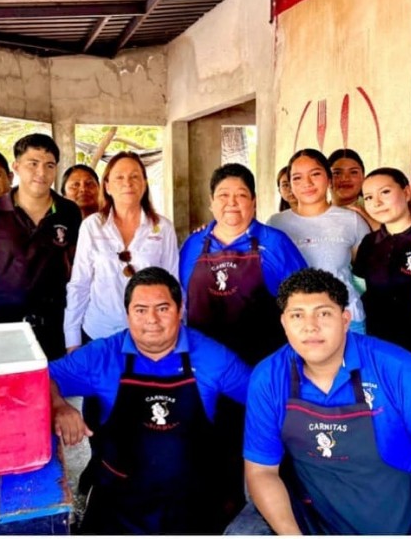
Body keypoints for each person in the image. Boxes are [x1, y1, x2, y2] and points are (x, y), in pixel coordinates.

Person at [228, 268, 411, 535]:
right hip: (313, 523)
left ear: (345, 320)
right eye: (297, 315)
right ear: (284, 323)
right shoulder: (269, 377)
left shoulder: (393, 366)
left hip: (396, 523)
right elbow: (262, 472)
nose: (310, 326)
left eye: (323, 313)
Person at [50, 267, 252, 535]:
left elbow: (262, 398)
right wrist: (58, 404)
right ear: (127, 314)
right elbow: (39, 377)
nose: (152, 320)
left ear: (180, 310)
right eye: (141, 310)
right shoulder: (101, 356)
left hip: (194, 505)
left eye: (163, 308)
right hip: (119, 505)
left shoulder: (212, 357)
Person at [180, 162, 307, 524]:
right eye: (223, 195)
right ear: (211, 202)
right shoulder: (193, 244)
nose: (232, 203)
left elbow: (302, 301)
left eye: (241, 195)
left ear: (254, 201)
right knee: (212, 446)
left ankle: (266, 520)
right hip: (207, 368)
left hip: (261, 365)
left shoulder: (274, 243)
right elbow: (182, 305)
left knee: (263, 447)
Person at [0, 133, 82, 360]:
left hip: (55, 325)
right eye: (33, 164)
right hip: (4, 325)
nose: (41, 172)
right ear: (16, 167)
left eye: (49, 165)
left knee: (52, 381)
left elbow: (78, 273)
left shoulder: (69, 211)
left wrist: (74, 334)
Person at [64, 151, 178, 351]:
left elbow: (174, 285)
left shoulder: (163, 227)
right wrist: (72, 340)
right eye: (119, 177)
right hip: (99, 333)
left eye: (135, 176)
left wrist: (177, 332)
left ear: (144, 183)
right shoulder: (92, 226)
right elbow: (80, 284)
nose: (128, 183)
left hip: (150, 335)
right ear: (107, 186)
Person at [268, 149, 371, 333]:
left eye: (315, 174)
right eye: (297, 178)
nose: (307, 183)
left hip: (347, 319)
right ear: (290, 185)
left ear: (329, 179)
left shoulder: (352, 220)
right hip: (298, 323)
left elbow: (365, 273)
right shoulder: (276, 224)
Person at [352, 167, 411, 362]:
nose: (376, 203)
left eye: (385, 192)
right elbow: (360, 287)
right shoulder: (369, 242)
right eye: (368, 197)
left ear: (407, 192)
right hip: (379, 342)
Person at [328, 148, 379, 230]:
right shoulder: (315, 213)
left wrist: (367, 217)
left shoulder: (377, 208)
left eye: (353, 172)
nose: (345, 178)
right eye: (337, 173)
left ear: (363, 178)